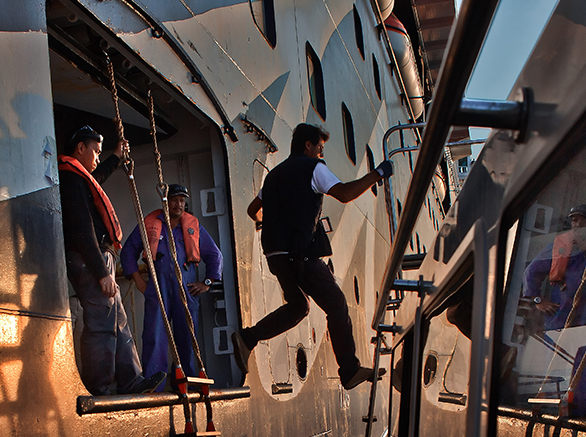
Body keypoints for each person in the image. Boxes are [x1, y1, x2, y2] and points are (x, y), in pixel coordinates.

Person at [231, 123, 393, 390]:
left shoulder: (274, 175)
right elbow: (344, 194)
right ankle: (349, 370)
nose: (321, 152)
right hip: (300, 255)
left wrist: (270, 224)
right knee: (337, 304)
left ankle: (248, 339)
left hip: (275, 255)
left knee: (299, 306)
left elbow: (253, 209)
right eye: (320, 147)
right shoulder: (313, 168)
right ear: (307, 145)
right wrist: (377, 174)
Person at [59, 125, 164, 395]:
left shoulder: (80, 177)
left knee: (117, 320)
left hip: (99, 258)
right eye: (94, 151)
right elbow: (82, 229)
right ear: (79, 148)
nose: (97, 157)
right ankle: (100, 388)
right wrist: (101, 271)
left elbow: (97, 176)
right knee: (102, 325)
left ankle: (132, 381)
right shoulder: (70, 180)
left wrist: (116, 157)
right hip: (90, 259)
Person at [521, 204, 586, 415]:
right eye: (574, 220)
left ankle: (581, 412)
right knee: (556, 365)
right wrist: (538, 300)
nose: (577, 224)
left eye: (582, 220)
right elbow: (531, 272)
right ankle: (548, 410)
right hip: (561, 319)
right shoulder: (560, 246)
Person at [120, 184, 224, 383]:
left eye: (182, 201)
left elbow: (215, 256)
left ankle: (189, 381)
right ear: (165, 201)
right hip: (158, 289)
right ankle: (153, 382)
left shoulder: (193, 226)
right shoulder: (149, 224)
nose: (179, 204)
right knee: (154, 335)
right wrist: (140, 281)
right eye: (174, 199)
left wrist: (207, 282)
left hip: (186, 289)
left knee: (187, 337)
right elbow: (128, 252)